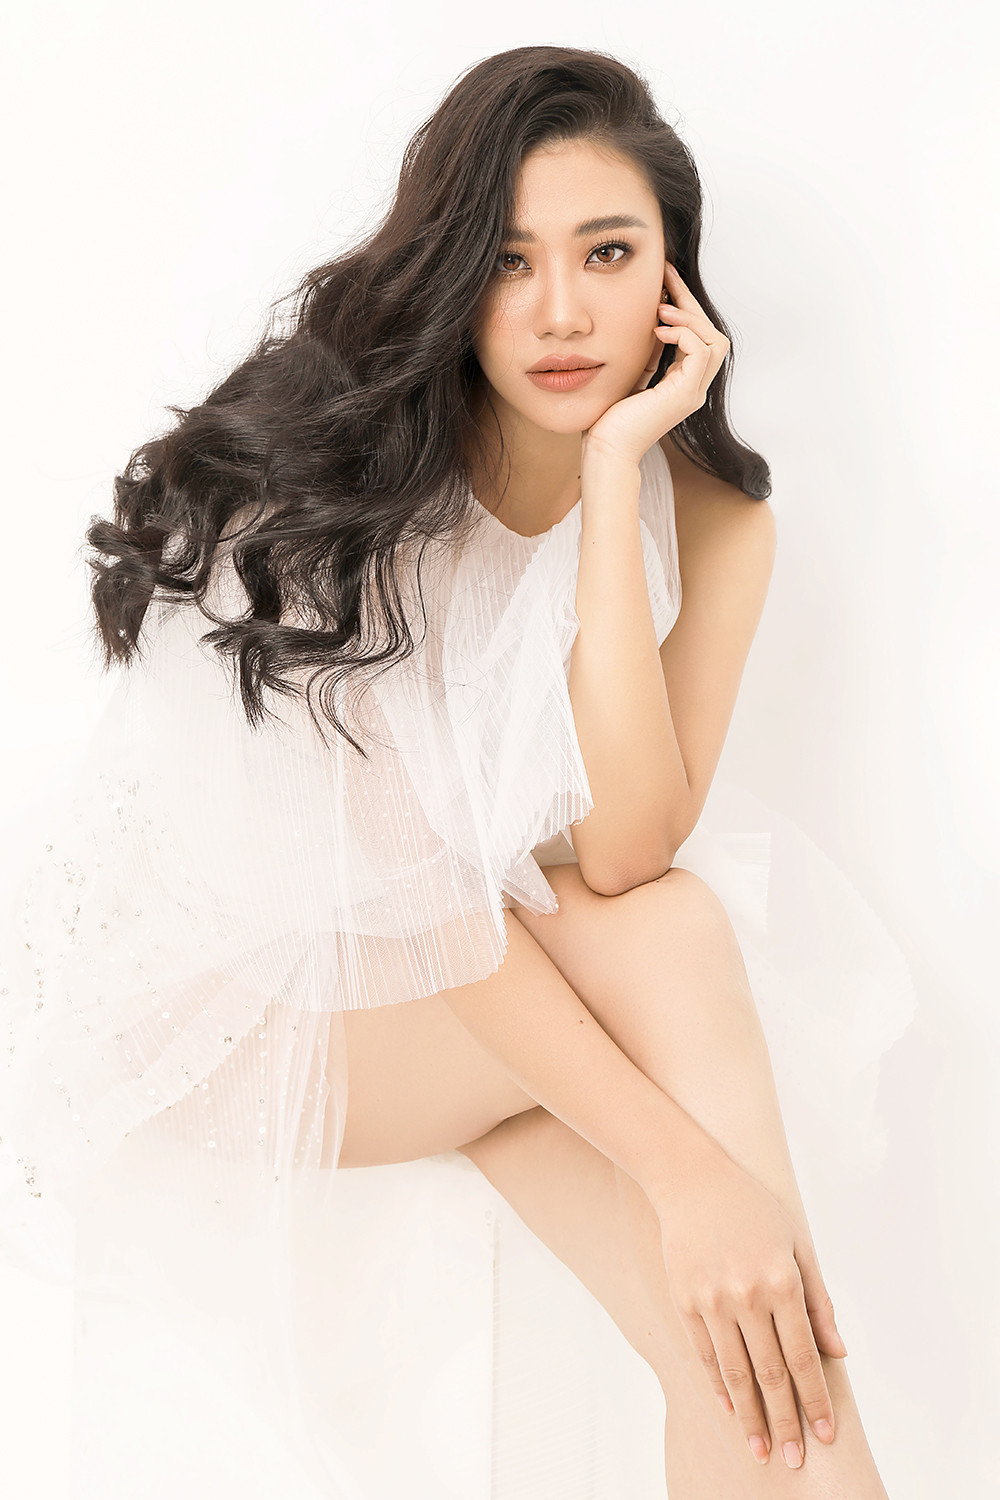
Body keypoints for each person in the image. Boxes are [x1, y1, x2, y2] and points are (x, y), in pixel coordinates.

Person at [0, 44, 914, 1497]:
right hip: (245, 1002)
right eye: (506, 261)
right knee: (681, 993)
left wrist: (610, 490)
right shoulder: (330, 498)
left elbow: (625, 849)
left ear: (672, 276)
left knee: (732, 1362)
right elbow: (410, 903)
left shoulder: (713, 517)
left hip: (471, 968)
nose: (561, 311)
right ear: (447, 278)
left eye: (607, 254)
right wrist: (690, 1173)